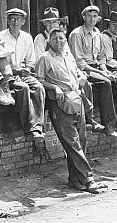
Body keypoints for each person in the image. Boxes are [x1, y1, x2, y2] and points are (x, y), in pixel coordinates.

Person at [35, 28, 106, 194]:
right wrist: (53, 87)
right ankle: (88, 179)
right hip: (61, 105)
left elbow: (77, 73)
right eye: (55, 39)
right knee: (72, 144)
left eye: (61, 38)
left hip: (77, 100)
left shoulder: (68, 55)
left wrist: (82, 76)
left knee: (81, 141)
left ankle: (76, 180)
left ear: (65, 40)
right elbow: (38, 80)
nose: (58, 41)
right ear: (49, 41)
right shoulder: (44, 58)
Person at [68, 5, 117, 137]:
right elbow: (79, 62)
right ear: (83, 17)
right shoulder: (77, 34)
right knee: (105, 83)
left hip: (96, 67)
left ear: (98, 18)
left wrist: (106, 71)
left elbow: (101, 57)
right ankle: (108, 125)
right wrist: (102, 73)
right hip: (82, 69)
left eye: (94, 16)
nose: (92, 19)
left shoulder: (97, 33)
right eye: (89, 16)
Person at [0, 9, 46, 139]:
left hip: (23, 73)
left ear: (23, 22)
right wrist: (15, 71)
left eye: (19, 19)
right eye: (13, 19)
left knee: (39, 88)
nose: (16, 22)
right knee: (24, 88)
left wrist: (28, 68)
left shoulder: (27, 37)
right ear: (8, 21)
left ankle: (38, 127)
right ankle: (29, 128)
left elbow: (31, 60)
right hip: (6, 76)